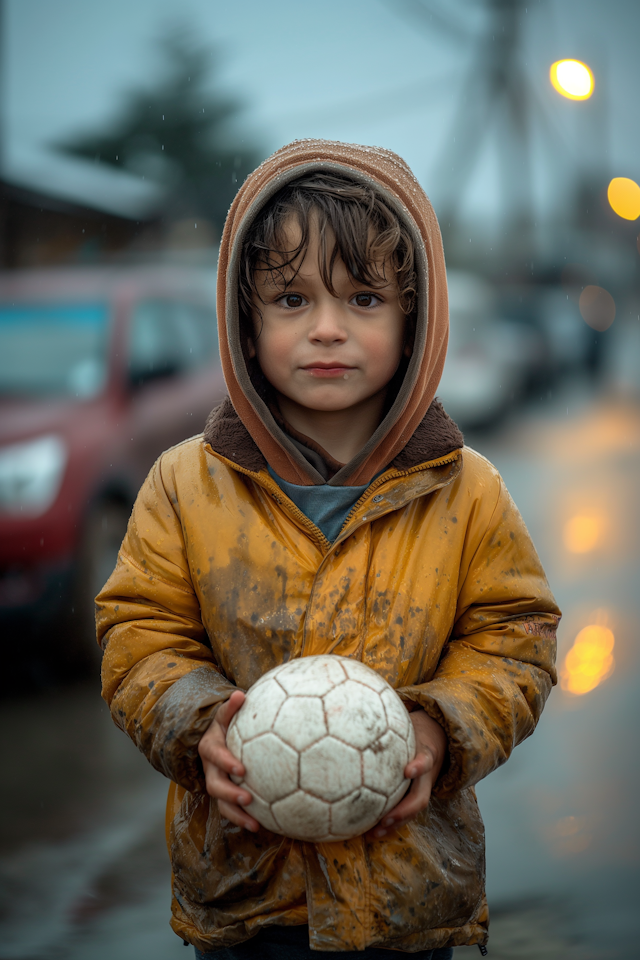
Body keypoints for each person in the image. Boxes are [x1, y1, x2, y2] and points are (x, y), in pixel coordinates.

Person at [97, 139, 560, 959]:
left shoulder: (466, 491)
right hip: (243, 896)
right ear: (246, 315)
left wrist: (440, 729)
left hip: (408, 900)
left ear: (415, 313)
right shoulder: (184, 485)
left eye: (364, 298)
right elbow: (140, 636)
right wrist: (197, 725)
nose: (326, 330)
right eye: (289, 298)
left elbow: (515, 639)